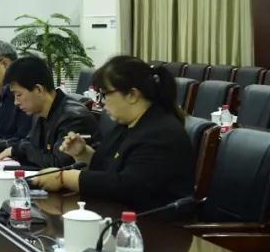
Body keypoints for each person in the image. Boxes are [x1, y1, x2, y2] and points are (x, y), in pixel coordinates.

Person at [35, 56, 195, 212]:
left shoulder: (161, 133)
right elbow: (109, 168)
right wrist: (83, 154)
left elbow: (126, 186)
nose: (102, 101)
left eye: (105, 94)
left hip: (155, 224)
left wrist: (64, 178)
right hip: (116, 213)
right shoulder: (126, 125)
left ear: (132, 95)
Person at [0, 56, 97, 169]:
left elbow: (59, 165)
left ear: (38, 89)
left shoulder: (73, 117)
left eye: (19, 95)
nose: (16, 102)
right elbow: (27, 144)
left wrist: (23, 149)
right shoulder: (40, 113)